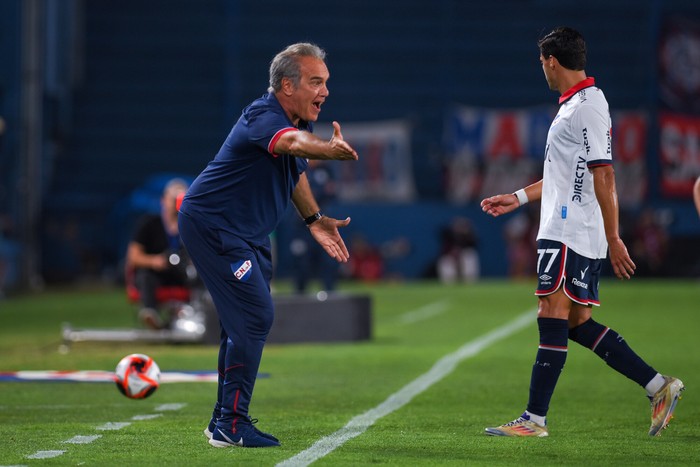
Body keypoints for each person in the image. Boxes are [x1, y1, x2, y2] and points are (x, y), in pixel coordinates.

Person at [480, 27, 683, 438]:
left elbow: (604, 173)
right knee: (575, 323)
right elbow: (562, 175)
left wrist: (614, 236)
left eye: (542, 63)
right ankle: (658, 386)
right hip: (572, 228)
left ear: (552, 61)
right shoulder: (577, 105)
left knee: (549, 314)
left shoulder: (586, 107)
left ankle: (534, 420)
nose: (543, 70)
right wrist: (517, 198)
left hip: (570, 230)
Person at [178, 43, 358, 448]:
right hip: (215, 226)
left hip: (248, 233)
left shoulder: (296, 120)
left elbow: (293, 173)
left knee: (241, 322)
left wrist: (314, 219)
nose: (325, 91)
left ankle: (222, 420)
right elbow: (292, 145)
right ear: (287, 85)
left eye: (326, 82)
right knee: (254, 314)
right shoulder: (264, 116)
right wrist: (328, 151)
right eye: (316, 82)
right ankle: (231, 423)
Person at [126, 178, 189, 329]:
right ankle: (150, 313)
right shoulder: (149, 223)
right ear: (163, 200)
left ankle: (199, 314)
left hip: (182, 274)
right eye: (173, 198)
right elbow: (133, 257)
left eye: (181, 199)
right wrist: (155, 261)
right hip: (156, 273)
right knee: (145, 275)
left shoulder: (191, 225)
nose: (176, 204)